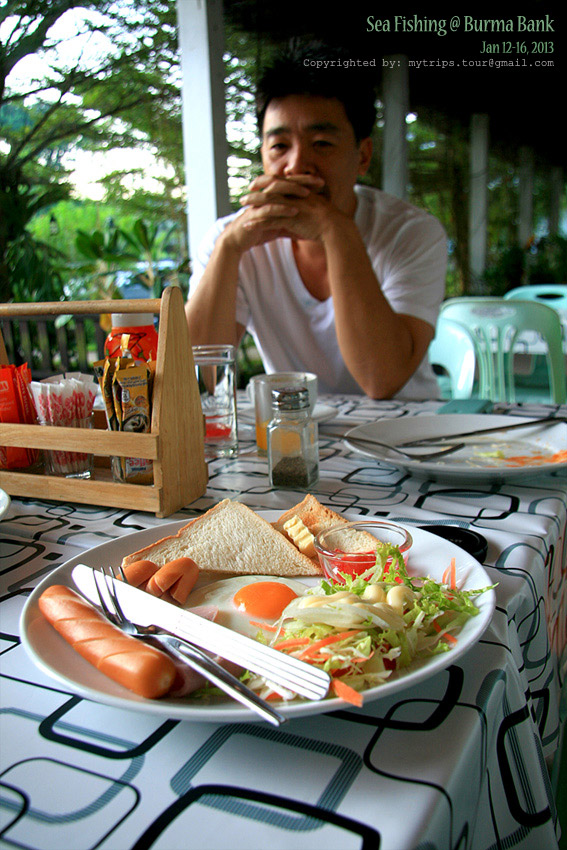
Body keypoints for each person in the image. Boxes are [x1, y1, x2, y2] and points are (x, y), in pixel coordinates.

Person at [186, 42, 448, 399]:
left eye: (322, 143)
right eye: (279, 146)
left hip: (405, 437)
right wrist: (230, 247)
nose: (296, 165)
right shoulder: (230, 240)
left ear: (363, 156)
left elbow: (381, 380)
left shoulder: (411, 233)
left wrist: (336, 231)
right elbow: (200, 376)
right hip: (293, 434)